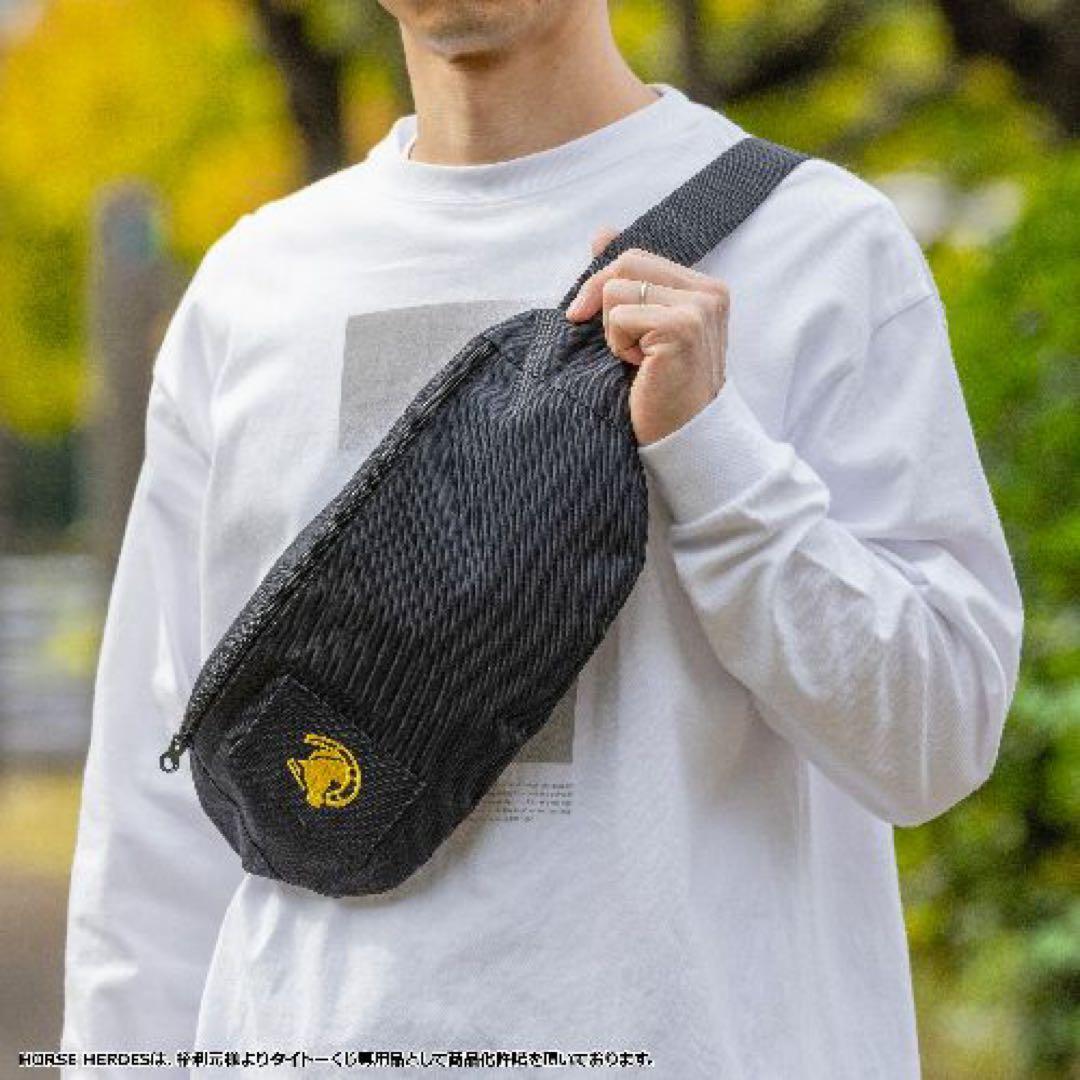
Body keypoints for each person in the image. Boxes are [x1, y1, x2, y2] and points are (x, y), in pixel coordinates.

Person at [61, 1, 1024, 1077]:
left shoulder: (821, 246)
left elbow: (937, 741)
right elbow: (152, 823)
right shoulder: (256, 289)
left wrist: (717, 456)